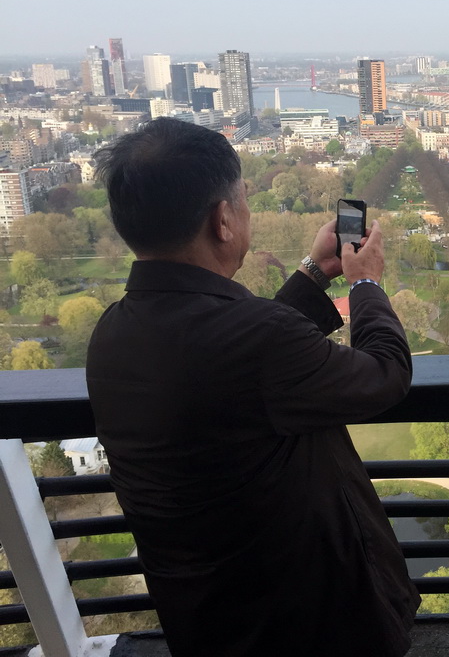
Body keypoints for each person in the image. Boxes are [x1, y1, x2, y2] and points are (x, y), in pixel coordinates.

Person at [86, 118, 420, 656]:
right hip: (304, 618)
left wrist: (314, 273)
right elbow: (385, 374)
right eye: (241, 199)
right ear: (223, 220)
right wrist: (366, 283)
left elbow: (233, 364)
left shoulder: (114, 332)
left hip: (206, 613)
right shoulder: (256, 339)